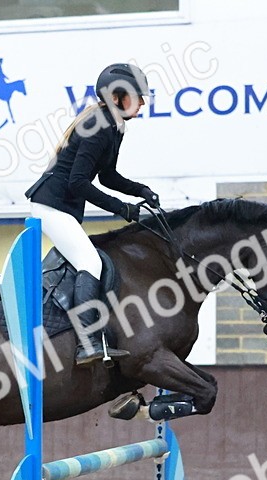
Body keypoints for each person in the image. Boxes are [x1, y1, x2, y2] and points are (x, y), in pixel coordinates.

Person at [24, 62, 160, 365]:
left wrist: (141, 191)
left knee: (88, 260)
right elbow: (78, 182)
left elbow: (108, 176)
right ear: (117, 97)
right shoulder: (98, 126)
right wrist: (122, 209)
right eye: (137, 98)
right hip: (50, 205)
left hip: (63, 207)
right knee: (89, 261)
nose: (141, 104)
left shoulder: (114, 127)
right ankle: (86, 343)